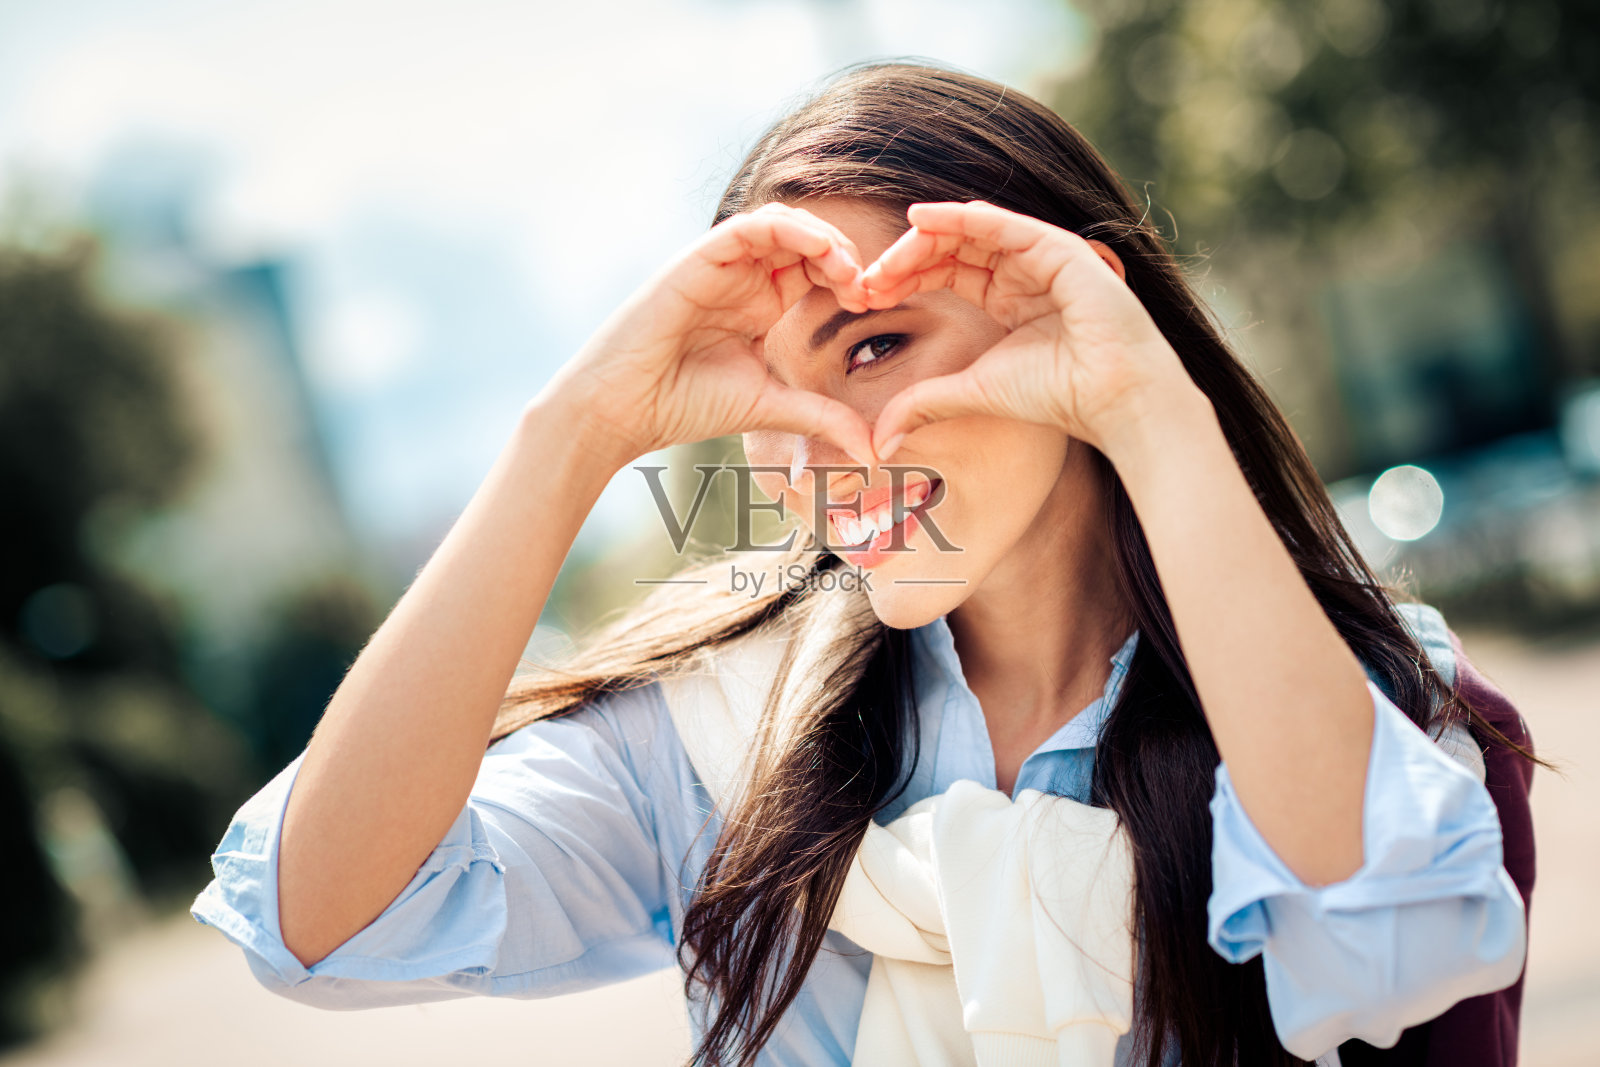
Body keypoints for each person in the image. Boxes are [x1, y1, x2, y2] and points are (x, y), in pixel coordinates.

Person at [190, 61, 1544, 1066]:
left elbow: (1396, 937)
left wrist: (1149, 407)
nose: (821, 453)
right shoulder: (721, 737)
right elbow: (322, 926)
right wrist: (571, 437)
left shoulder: (1356, 704)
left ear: (1075, 311)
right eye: (772, 397)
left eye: (876, 345)